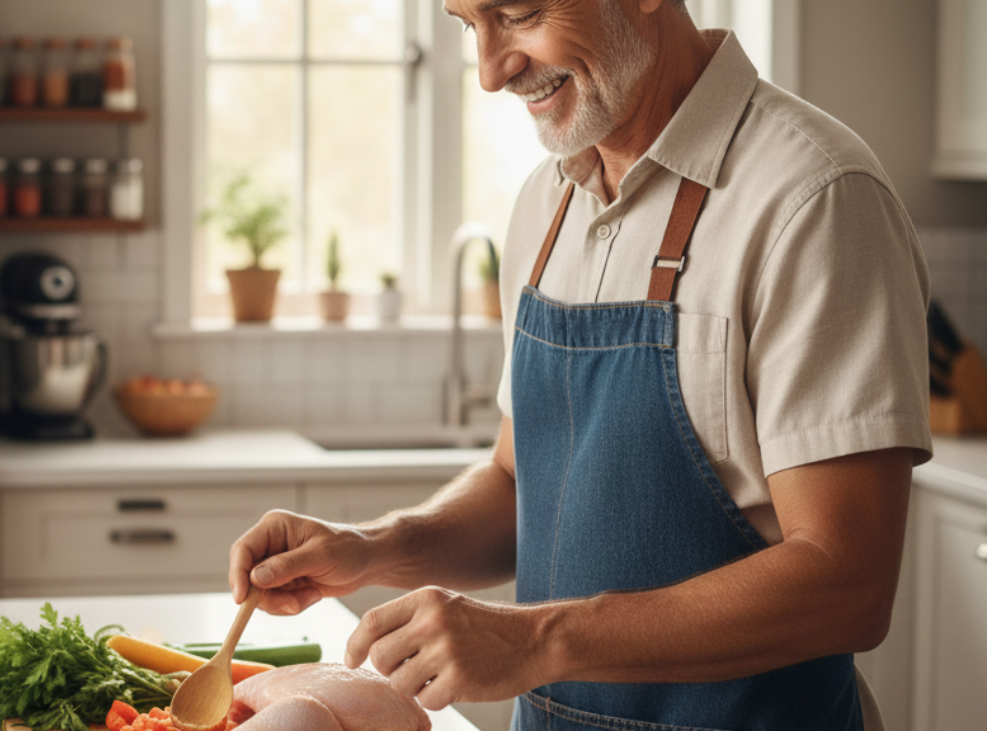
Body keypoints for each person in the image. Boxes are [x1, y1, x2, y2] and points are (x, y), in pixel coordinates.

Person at [228, 1, 932, 729]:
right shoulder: (547, 203)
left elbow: (849, 580)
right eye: (470, 25)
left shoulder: (815, 199)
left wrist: (535, 637)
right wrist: (370, 547)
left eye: (520, 12)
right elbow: (516, 483)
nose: (491, 71)